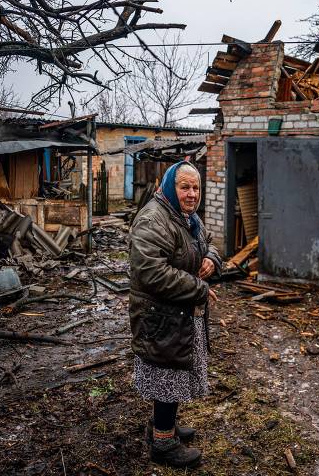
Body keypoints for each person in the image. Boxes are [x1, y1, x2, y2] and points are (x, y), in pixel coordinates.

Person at [128, 161, 221, 468]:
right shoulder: (153, 219)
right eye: (185, 187)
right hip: (160, 317)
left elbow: (208, 244)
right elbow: (151, 272)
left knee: (174, 375)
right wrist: (199, 288)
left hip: (178, 316)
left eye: (196, 187)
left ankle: (161, 427)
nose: (192, 193)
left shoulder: (188, 218)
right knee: (167, 377)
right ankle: (164, 445)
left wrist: (211, 259)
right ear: (170, 186)